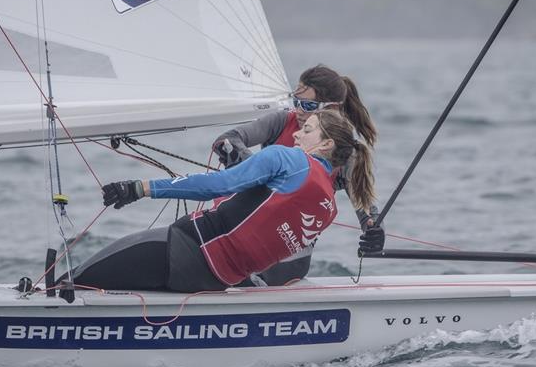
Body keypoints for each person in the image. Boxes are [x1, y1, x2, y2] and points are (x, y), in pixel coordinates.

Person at [68, 110, 375, 293]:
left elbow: (217, 185)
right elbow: (258, 218)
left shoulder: (289, 159)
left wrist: (140, 188)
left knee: (72, 284)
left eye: (306, 130)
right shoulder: (328, 209)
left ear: (326, 143)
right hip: (213, 280)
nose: (295, 135)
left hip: (182, 250)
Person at [213, 64, 383, 284]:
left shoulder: (347, 151)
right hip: (248, 231)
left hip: (289, 249)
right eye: (296, 102)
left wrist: (375, 233)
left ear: (331, 107)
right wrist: (256, 169)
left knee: (251, 275)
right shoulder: (281, 121)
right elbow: (227, 140)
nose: (299, 110)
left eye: (308, 105)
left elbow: (367, 211)